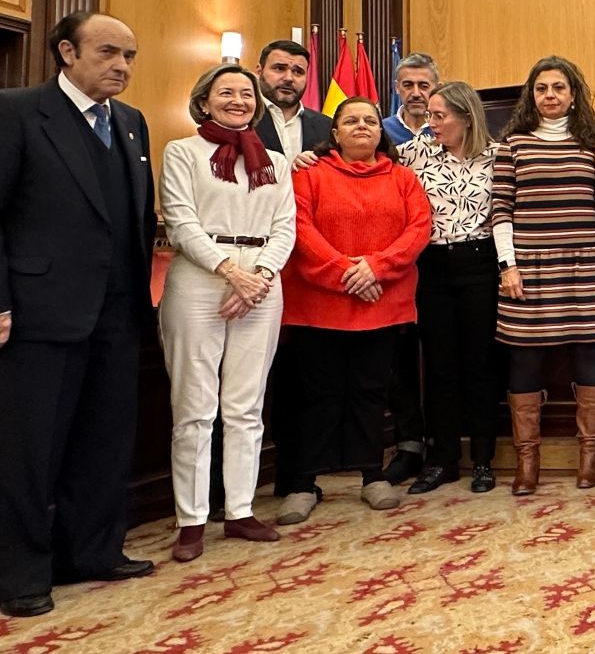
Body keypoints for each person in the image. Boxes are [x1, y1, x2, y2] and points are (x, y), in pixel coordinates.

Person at [0, 12, 157, 618]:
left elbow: (134, 219)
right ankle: (18, 573)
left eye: (131, 55)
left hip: (117, 313)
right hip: (40, 313)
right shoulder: (16, 111)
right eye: (109, 53)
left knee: (103, 440)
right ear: (67, 51)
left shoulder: (133, 123)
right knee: (29, 450)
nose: (122, 66)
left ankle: (91, 550)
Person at [159, 64, 295, 561]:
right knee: (194, 408)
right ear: (204, 101)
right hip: (200, 281)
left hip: (262, 281)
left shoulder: (276, 163)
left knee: (245, 406)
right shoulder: (183, 152)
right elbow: (179, 220)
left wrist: (257, 276)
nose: (238, 100)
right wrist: (228, 271)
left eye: (246, 94)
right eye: (226, 93)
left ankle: (240, 510)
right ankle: (191, 520)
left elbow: (286, 226)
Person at [275, 97, 431, 524]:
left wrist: (376, 269)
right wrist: (346, 273)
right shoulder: (308, 176)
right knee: (317, 396)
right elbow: (299, 228)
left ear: (381, 133)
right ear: (335, 132)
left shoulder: (403, 178)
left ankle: (371, 475)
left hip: (382, 302)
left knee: (370, 393)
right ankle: (304, 483)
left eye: (369, 121)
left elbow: (419, 228)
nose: (362, 126)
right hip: (319, 304)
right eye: (351, 120)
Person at [494, 57, 595, 495]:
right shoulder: (511, 146)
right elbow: (501, 213)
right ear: (531, 95)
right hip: (528, 269)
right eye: (542, 88)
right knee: (525, 360)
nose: (550, 95)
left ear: (573, 95)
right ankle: (528, 464)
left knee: (589, 355)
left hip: (586, 266)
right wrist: (507, 266)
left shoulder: (593, 145)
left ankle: (590, 458)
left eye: (559, 88)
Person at [400, 82, 503, 495]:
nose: (432, 123)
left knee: (480, 364)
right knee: (440, 366)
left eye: (440, 116)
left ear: (466, 116)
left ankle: (483, 459)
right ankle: (442, 459)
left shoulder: (497, 157)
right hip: (433, 265)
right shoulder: (413, 154)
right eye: (430, 115)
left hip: (481, 263)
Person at [252, 39, 332, 501]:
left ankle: (297, 476)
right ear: (260, 70)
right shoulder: (240, 117)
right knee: (248, 382)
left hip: (308, 268)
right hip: (251, 262)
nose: (288, 78)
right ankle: (228, 489)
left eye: (298, 71)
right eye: (279, 68)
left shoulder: (324, 126)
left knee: (303, 379)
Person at [379, 52, 439, 485]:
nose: (416, 93)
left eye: (424, 85)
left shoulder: (453, 127)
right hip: (393, 259)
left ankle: (443, 439)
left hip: (441, 258)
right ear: (397, 87)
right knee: (397, 356)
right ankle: (408, 442)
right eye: (408, 85)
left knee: (440, 353)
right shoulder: (380, 132)